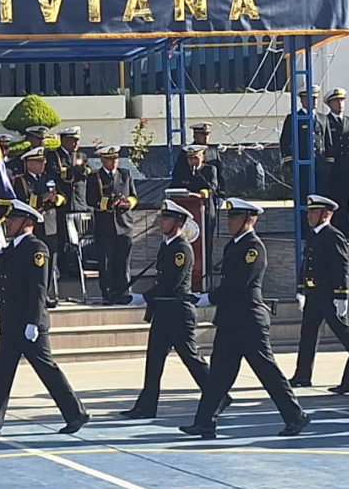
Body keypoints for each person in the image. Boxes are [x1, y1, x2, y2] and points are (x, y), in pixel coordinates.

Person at [180, 199, 310, 439]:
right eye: (229, 217)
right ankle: (204, 422)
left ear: (249, 219)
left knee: (267, 372)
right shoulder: (234, 246)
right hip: (230, 320)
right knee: (219, 373)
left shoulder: (253, 248)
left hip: (249, 321)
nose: (229, 221)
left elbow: (239, 283)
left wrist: (208, 298)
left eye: (235, 217)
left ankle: (296, 416)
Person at [0, 201, 90, 437]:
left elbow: (39, 288)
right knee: (2, 372)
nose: (8, 223)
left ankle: (76, 413)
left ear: (28, 223)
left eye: (13, 219)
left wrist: (33, 322)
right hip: (10, 321)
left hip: (27, 323)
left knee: (47, 370)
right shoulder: (14, 248)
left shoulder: (36, 248)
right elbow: (8, 272)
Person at [123, 201, 226, 419]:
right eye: (162, 217)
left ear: (179, 222)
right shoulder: (167, 246)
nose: (161, 222)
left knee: (191, 358)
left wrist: (143, 298)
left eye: (166, 218)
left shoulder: (181, 249)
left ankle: (219, 396)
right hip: (163, 311)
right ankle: (146, 406)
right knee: (154, 359)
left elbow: (171, 282)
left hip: (178, 312)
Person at [288, 195, 349, 388]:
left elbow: (340, 266)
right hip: (313, 294)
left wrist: (341, 295)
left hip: (327, 295)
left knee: (343, 333)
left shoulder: (333, 235)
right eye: (309, 212)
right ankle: (302, 375)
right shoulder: (313, 235)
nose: (309, 216)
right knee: (307, 335)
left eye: (314, 212)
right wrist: (301, 289)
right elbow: (306, 264)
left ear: (326, 214)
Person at [12, 147, 65, 307]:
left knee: (49, 262)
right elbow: (20, 202)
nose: (42, 165)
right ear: (29, 164)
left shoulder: (49, 179)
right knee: (33, 262)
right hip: (32, 226)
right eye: (38, 162)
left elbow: (63, 197)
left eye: (43, 162)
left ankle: (44, 295)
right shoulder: (21, 181)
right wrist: (41, 199)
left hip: (49, 225)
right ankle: (31, 295)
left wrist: (56, 199)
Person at [86, 145, 138, 305]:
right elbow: (91, 200)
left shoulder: (125, 174)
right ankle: (107, 293)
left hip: (124, 224)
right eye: (109, 159)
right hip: (105, 226)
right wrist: (110, 203)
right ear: (102, 160)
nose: (113, 162)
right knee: (106, 263)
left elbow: (134, 196)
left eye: (115, 158)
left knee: (122, 262)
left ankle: (122, 292)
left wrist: (127, 203)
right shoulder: (95, 177)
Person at [279, 84, 326, 229]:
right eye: (310, 98)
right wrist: (290, 163)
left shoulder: (322, 118)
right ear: (302, 100)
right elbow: (285, 142)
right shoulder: (294, 118)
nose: (314, 101)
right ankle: (305, 229)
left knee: (321, 198)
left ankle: (320, 227)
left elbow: (328, 141)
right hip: (302, 167)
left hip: (320, 167)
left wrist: (328, 163)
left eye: (315, 98)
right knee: (304, 199)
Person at [50, 127, 90, 280]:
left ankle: (77, 265)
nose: (76, 143)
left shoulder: (81, 155)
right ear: (64, 140)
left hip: (79, 203)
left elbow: (84, 173)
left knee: (79, 238)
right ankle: (64, 266)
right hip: (64, 203)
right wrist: (73, 171)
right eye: (72, 140)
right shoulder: (54, 156)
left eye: (77, 140)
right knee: (63, 237)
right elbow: (56, 173)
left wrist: (73, 171)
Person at [321, 87, 349, 236]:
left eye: (342, 100)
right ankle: (333, 229)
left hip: (346, 168)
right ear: (329, 104)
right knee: (332, 200)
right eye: (336, 101)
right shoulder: (325, 121)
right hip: (333, 168)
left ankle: (344, 229)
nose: (340, 104)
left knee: (345, 200)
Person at [187, 123, 225, 196]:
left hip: (211, 192)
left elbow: (220, 173)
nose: (206, 137)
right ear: (195, 136)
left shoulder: (213, 151)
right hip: (192, 193)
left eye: (207, 134)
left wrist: (221, 193)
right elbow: (180, 173)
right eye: (202, 135)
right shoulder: (187, 151)